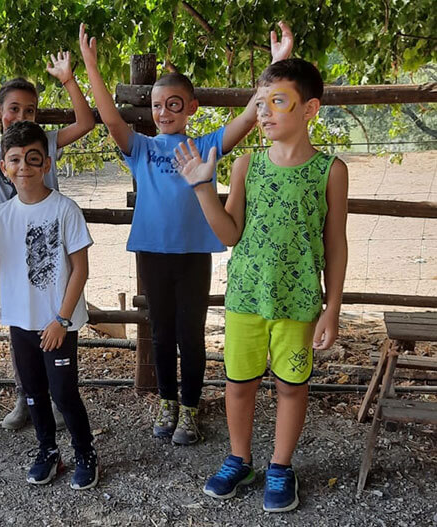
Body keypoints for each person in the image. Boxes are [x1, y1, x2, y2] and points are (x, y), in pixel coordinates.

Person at [78, 21, 292, 445]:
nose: (164, 113)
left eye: (174, 105)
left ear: (191, 107)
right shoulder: (141, 147)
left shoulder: (208, 144)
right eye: (158, 105)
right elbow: (109, 117)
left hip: (194, 254)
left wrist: (276, 64)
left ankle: (191, 407)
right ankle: (167, 402)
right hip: (153, 255)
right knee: (160, 331)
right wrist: (90, 66)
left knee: (191, 333)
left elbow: (248, 119)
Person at [176, 58, 348, 512]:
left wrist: (331, 307)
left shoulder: (331, 170)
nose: (265, 112)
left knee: (291, 387)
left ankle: (281, 466)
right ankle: (239, 459)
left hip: (300, 304)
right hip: (245, 299)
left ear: (310, 109)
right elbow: (229, 233)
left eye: (277, 102)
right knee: (238, 384)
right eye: (259, 103)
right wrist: (201, 188)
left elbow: (335, 245)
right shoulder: (247, 165)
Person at [0, 52, 95, 430]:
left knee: (54, 314)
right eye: (14, 109)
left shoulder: (45, 142)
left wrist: (68, 80)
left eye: (29, 111)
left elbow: (87, 122)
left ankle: (59, 401)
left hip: (50, 238)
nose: (21, 117)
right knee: (21, 326)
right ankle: (25, 398)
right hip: (11, 236)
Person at [0, 121, 99, 489]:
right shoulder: (2, 215)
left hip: (58, 323)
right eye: (15, 160)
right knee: (33, 391)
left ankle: (85, 452)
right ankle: (48, 451)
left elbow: (81, 269)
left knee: (63, 392)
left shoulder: (65, 209)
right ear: (3, 167)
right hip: (21, 322)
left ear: (46, 164)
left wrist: (61, 319)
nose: (24, 167)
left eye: (33, 159)